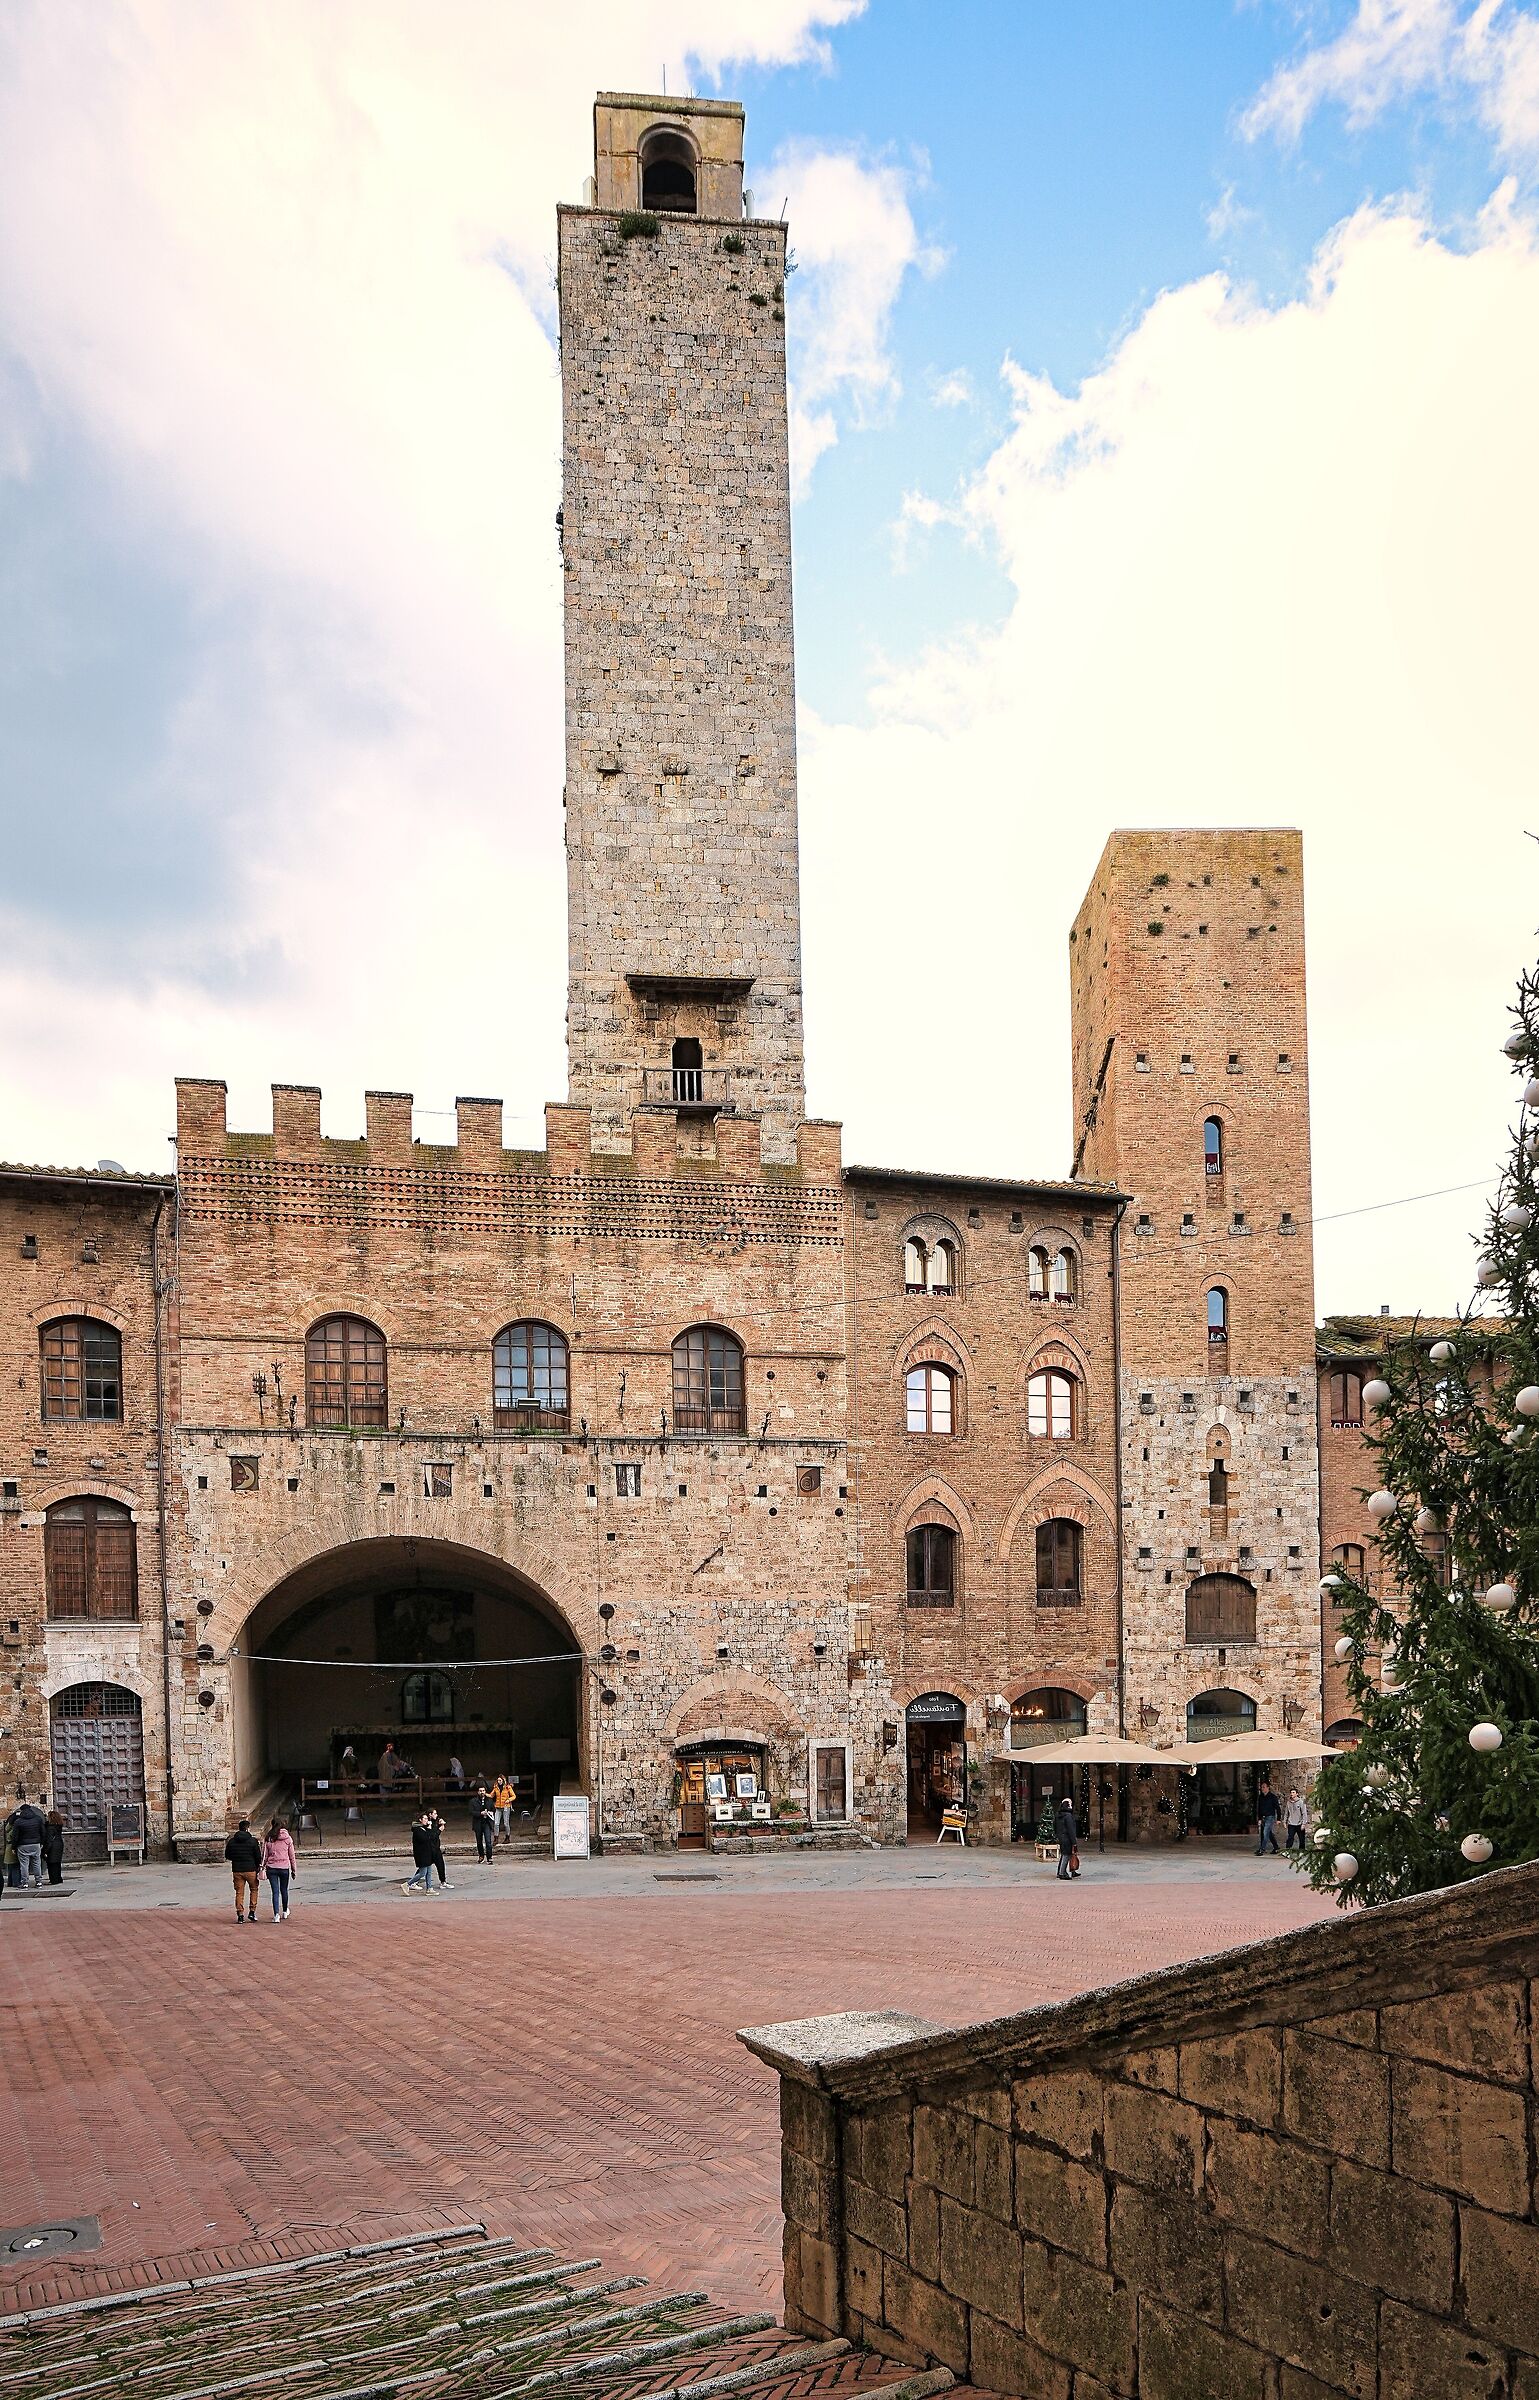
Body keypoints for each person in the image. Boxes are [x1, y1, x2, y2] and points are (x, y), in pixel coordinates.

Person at [225, 1815, 264, 1922]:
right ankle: (252, 1912)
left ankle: (240, 1914)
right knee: (254, 1889)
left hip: (237, 1870)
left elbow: (227, 1855)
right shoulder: (253, 1841)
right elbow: (258, 1856)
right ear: (247, 1828)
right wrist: (258, 1866)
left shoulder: (232, 1841)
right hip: (251, 1869)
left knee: (239, 1892)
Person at [261, 1817, 297, 1920]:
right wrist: (294, 1870)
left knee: (275, 1891)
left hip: (271, 1868)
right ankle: (285, 1911)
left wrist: (262, 1865)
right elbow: (292, 1856)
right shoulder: (288, 1838)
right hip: (284, 1867)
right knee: (284, 1890)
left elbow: (264, 1855)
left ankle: (276, 1914)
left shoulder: (269, 1838)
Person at [10, 1795, 45, 1891]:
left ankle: (25, 1883)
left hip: (23, 1845)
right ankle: (39, 1882)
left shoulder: (18, 1821)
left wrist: (13, 1847)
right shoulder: (37, 1819)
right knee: (37, 1863)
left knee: (24, 1865)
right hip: (36, 1844)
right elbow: (43, 1832)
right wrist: (41, 1842)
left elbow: (15, 1836)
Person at [402, 1810, 439, 1894]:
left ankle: (429, 1888)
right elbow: (426, 1839)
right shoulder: (417, 1830)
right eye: (425, 1819)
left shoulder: (423, 1828)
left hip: (427, 1853)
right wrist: (429, 1829)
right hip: (422, 1854)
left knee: (429, 1872)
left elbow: (432, 1837)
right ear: (420, 1820)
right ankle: (408, 1884)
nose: (427, 1820)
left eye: (427, 1818)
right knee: (423, 1873)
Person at [1255, 1779, 1282, 1856]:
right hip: (1263, 1817)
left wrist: (1278, 1819)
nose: (1262, 1789)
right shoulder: (1261, 1797)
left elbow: (1277, 1808)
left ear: (1268, 1787)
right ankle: (1276, 1847)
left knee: (1265, 1833)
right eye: (1261, 1787)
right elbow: (1259, 1808)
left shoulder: (1273, 1797)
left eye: (1263, 1787)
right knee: (1268, 1834)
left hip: (1270, 1817)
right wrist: (1259, 1818)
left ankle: (1262, 1849)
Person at [471, 1784, 496, 1865]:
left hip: (487, 1823)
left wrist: (489, 1813)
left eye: (483, 1791)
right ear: (478, 1792)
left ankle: (489, 1857)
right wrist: (480, 1813)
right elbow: (471, 1812)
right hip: (478, 1823)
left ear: (485, 1792)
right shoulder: (473, 1801)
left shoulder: (489, 1800)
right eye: (480, 1791)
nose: (482, 1792)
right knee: (479, 1841)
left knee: (488, 1841)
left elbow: (493, 1809)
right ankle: (481, 1856)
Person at [41, 1807, 66, 1888]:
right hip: (59, 1844)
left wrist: (45, 1851)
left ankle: (54, 1880)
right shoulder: (58, 1826)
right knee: (57, 1863)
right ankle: (58, 1878)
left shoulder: (50, 1828)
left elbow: (49, 1840)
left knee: (51, 1864)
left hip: (53, 1846)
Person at [1055, 1793, 1078, 1882]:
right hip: (1067, 1838)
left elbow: (1055, 1827)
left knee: (1065, 1854)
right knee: (1066, 1855)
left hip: (1061, 1837)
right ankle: (1062, 1873)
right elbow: (1071, 1830)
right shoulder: (1068, 1816)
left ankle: (1069, 1871)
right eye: (1070, 1804)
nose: (1071, 1806)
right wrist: (1074, 1842)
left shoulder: (1059, 1815)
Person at [1283, 1786, 1310, 1853]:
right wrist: (1284, 1821)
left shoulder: (1301, 1802)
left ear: (1297, 1794)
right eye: (1291, 1792)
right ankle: (1287, 1850)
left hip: (1299, 1823)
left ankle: (1302, 1851)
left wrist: (1304, 1823)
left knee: (1301, 1838)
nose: (1292, 1794)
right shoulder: (1288, 1802)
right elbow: (1286, 1812)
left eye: (1293, 1792)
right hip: (1291, 1823)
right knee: (1290, 1837)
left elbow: (1304, 1813)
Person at [492, 1773, 513, 1845]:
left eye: (500, 1780)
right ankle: (496, 1838)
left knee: (506, 1823)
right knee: (496, 1823)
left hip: (506, 1806)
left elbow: (513, 1796)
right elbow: (492, 1795)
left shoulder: (508, 1787)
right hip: (498, 1806)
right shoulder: (496, 1787)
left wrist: (509, 1800)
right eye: (498, 1780)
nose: (499, 1782)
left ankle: (507, 1837)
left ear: (503, 1780)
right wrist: (485, 1794)